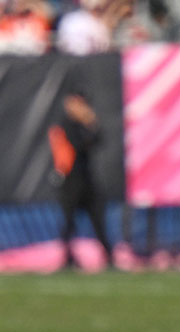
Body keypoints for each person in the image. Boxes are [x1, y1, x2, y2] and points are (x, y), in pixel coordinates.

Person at [49, 88, 114, 270]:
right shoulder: (66, 124)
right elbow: (78, 145)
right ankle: (68, 258)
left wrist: (91, 124)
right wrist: (87, 124)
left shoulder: (84, 123)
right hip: (71, 179)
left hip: (87, 177)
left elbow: (98, 140)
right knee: (69, 221)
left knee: (98, 218)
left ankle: (109, 257)